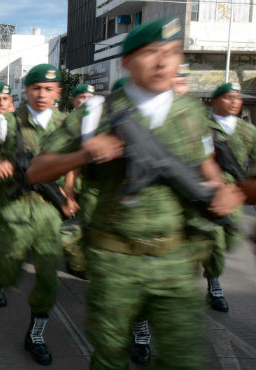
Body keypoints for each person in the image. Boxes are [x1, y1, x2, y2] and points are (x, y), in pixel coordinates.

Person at [26, 19, 244, 369]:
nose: (162, 63)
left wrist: (222, 192)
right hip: (115, 261)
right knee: (111, 355)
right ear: (126, 62)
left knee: (183, 357)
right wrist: (85, 153)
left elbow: (207, 167)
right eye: (150, 53)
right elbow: (37, 170)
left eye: (171, 54)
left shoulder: (190, 113)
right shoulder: (95, 112)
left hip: (176, 259)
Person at [0, 77, 72, 366]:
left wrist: (70, 192)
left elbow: (73, 162)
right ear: (25, 91)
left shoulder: (66, 124)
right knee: (10, 262)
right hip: (16, 205)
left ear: (58, 92)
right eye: (36, 88)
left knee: (49, 276)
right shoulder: (7, 123)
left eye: (49, 89)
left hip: (50, 211)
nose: (42, 95)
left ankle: (36, 335)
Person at [203, 81, 253, 312]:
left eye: (237, 97)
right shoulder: (204, 127)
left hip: (235, 195)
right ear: (214, 101)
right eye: (228, 97)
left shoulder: (249, 131)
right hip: (208, 193)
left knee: (231, 239)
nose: (234, 102)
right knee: (216, 241)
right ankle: (215, 286)